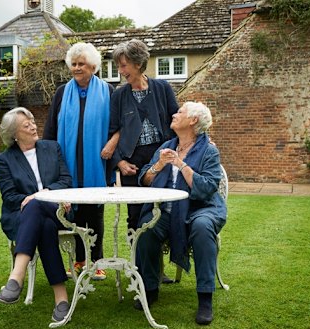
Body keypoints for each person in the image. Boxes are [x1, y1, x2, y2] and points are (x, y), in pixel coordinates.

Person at [135, 102, 227, 325]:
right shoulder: (167, 145)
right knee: (146, 228)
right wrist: (158, 165)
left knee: (203, 227)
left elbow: (206, 188)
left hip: (201, 208)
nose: (174, 114)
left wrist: (180, 164)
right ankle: (150, 288)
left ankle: (205, 297)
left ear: (193, 120)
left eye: (180, 112)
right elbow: (145, 179)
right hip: (167, 210)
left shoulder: (209, 150)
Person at [43, 42, 116, 281]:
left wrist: (112, 145)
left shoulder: (108, 91)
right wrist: (49, 162)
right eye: (73, 64)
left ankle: (96, 262)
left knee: (94, 214)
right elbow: (51, 130)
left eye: (81, 64)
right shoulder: (62, 93)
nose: (76, 68)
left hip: (97, 164)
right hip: (68, 166)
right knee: (72, 214)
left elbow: (117, 127)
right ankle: (77, 260)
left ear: (93, 66)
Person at [0, 107, 72, 322]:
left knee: (38, 203)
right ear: (14, 135)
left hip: (57, 209)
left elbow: (66, 181)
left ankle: (16, 277)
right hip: (21, 216)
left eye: (32, 121)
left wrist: (43, 194)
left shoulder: (52, 147)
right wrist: (34, 200)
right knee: (44, 226)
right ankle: (61, 298)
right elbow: (10, 197)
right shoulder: (4, 160)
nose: (33, 125)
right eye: (26, 124)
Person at [109, 39, 179, 231]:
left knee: (163, 210)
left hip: (161, 156)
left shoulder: (162, 88)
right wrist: (119, 163)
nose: (121, 71)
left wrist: (199, 140)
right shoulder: (118, 95)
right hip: (132, 161)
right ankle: (135, 260)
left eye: (123, 66)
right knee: (134, 216)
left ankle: (155, 258)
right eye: (118, 67)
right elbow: (111, 131)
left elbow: (177, 121)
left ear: (138, 64)